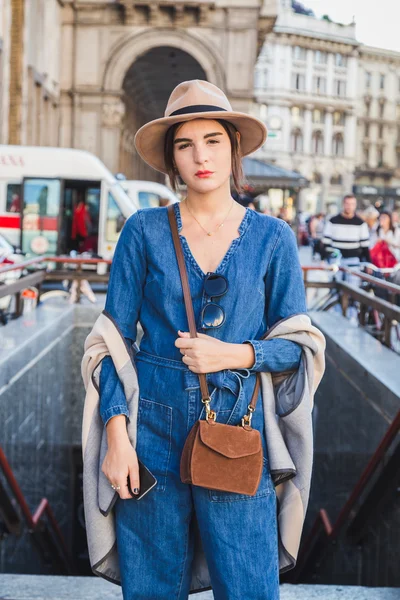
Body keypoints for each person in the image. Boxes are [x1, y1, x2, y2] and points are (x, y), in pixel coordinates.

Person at [98, 80, 311, 599]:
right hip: (151, 425)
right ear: (171, 158)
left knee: (247, 585)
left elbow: (298, 345)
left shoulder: (272, 237)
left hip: (236, 429)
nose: (201, 156)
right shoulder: (143, 230)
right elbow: (111, 343)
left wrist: (236, 353)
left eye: (213, 140)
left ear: (233, 147)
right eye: (185, 144)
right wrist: (116, 435)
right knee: (151, 586)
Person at [322, 194, 370, 275]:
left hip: (354, 260)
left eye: (352, 204)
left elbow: (365, 245)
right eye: (347, 204)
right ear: (343, 204)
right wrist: (323, 259)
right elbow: (325, 242)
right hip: (336, 259)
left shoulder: (360, 223)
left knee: (352, 286)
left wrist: (368, 263)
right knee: (334, 285)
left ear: (355, 206)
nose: (349, 206)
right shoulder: (332, 221)